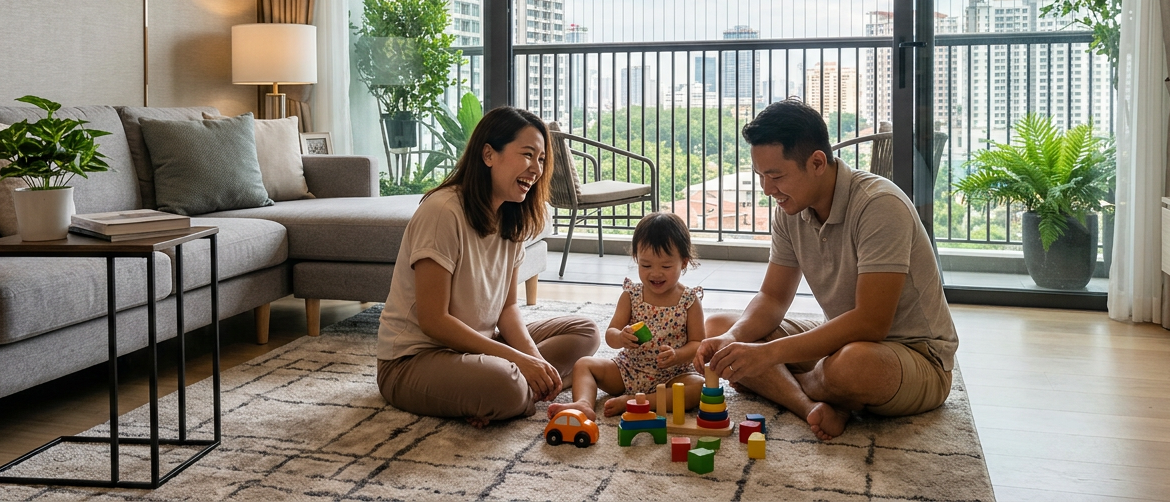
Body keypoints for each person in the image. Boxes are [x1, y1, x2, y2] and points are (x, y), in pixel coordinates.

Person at [696, 99, 958, 440]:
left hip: (915, 356)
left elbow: (871, 323)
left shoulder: (879, 205)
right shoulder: (790, 210)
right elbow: (773, 297)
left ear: (817, 162)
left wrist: (766, 356)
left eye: (776, 175)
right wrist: (733, 340)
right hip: (841, 339)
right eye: (761, 176)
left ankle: (788, 385)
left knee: (853, 365)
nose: (767, 189)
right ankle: (811, 404)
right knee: (721, 329)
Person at [376, 106, 600, 427]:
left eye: (541, 159)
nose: (536, 169)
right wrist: (518, 362)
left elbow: (507, 308)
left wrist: (535, 363)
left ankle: (519, 389)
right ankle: (510, 391)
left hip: (483, 344)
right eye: (527, 154)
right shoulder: (442, 212)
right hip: (414, 359)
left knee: (586, 331)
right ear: (488, 154)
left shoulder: (513, 216)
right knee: (505, 383)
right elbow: (433, 320)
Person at [550, 212, 706, 421]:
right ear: (636, 259)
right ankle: (583, 403)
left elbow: (698, 343)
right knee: (584, 364)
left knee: (698, 388)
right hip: (628, 371)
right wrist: (621, 337)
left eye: (666, 266)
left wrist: (677, 355)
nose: (655, 273)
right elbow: (611, 334)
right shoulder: (631, 295)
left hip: (673, 375)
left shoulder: (689, 300)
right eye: (646, 265)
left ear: (684, 263)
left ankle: (637, 402)